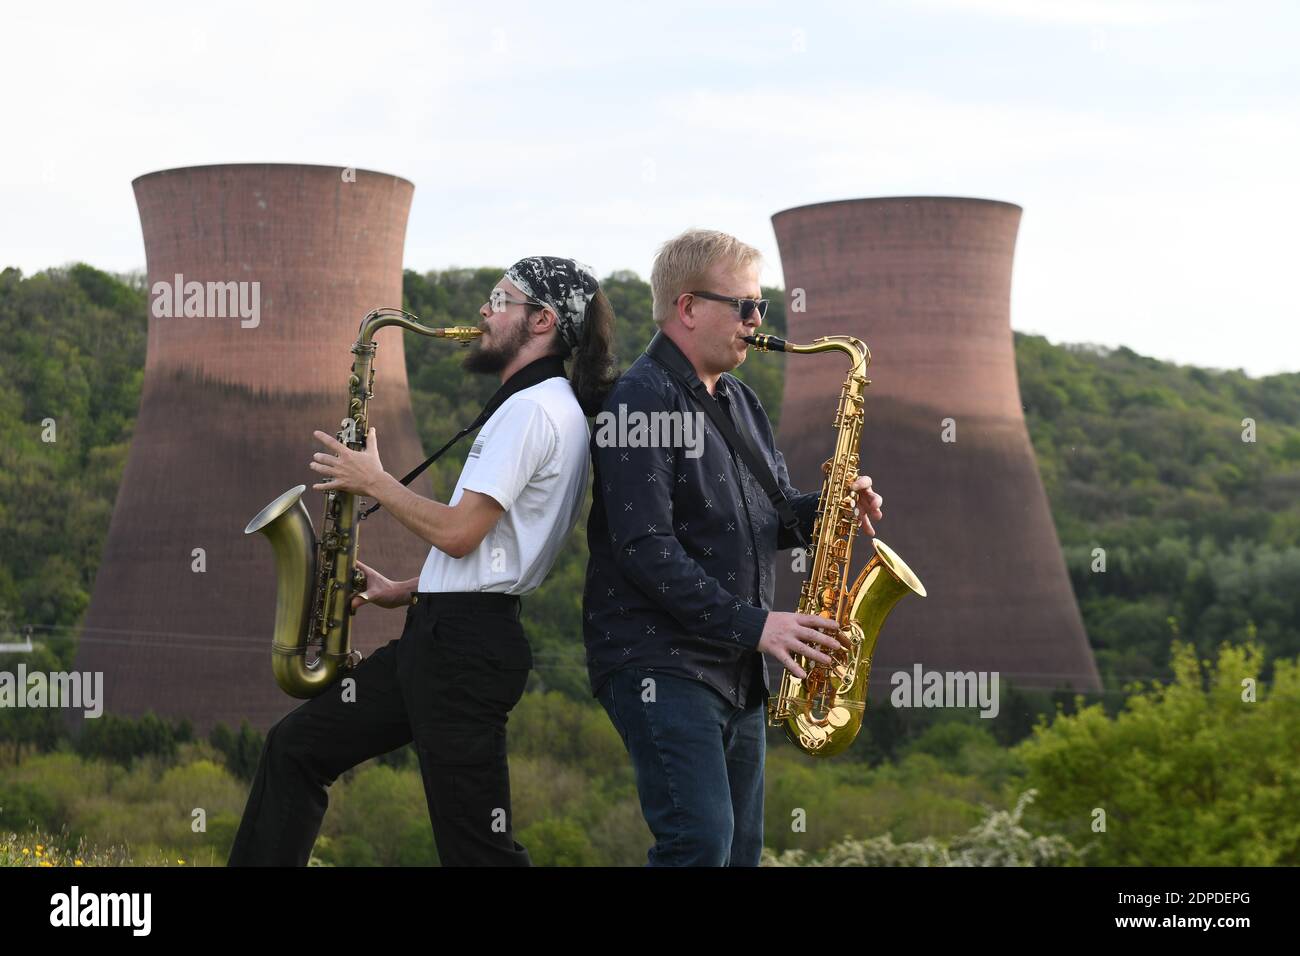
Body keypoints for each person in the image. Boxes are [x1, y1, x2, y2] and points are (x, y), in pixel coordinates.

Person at [228, 256, 617, 866]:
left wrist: (374, 481)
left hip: (462, 654)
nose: (483, 313)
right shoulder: (548, 405)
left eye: (499, 300)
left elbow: (462, 535)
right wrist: (410, 588)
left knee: (477, 851)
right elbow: (498, 548)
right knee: (296, 748)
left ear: (541, 321)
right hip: (442, 638)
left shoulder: (533, 410)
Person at [582, 229, 883, 866]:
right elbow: (644, 548)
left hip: (735, 668)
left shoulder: (740, 400)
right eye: (741, 306)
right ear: (687, 308)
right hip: (661, 662)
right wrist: (759, 625)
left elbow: (767, 518)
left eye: (760, 307)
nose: (756, 322)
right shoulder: (639, 399)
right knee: (699, 845)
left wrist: (829, 506)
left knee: (740, 854)